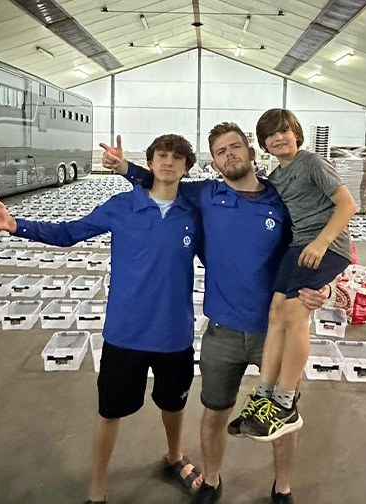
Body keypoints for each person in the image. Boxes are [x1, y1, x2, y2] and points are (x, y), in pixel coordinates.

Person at [0, 134, 204, 504]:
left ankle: (174, 456)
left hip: (175, 334)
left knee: (174, 403)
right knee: (110, 410)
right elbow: (68, 233)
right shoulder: (121, 206)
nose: (168, 162)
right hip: (125, 333)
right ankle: (97, 488)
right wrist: (16, 225)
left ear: (187, 167)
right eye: (161, 155)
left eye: (176, 157)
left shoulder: (194, 212)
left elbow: (225, 258)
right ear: (151, 162)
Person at [100, 123, 329, 504]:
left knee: (283, 413)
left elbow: (316, 238)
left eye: (235, 147)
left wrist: (324, 284)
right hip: (221, 331)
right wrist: (126, 169)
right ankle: (211, 479)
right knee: (214, 411)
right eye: (221, 152)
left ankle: (283, 486)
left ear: (252, 153)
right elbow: (160, 179)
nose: (230, 155)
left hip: (276, 331)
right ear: (214, 164)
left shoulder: (282, 198)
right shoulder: (205, 195)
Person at [231, 109, 357, 442]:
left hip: (326, 245)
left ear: (296, 133)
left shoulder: (312, 162)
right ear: (264, 144)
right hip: (297, 246)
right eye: (271, 135)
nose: (279, 137)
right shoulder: (275, 177)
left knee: (294, 313)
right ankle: (264, 395)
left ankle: (285, 402)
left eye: (284, 130)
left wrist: (321, 242)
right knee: (274, 313)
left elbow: (348, 205)